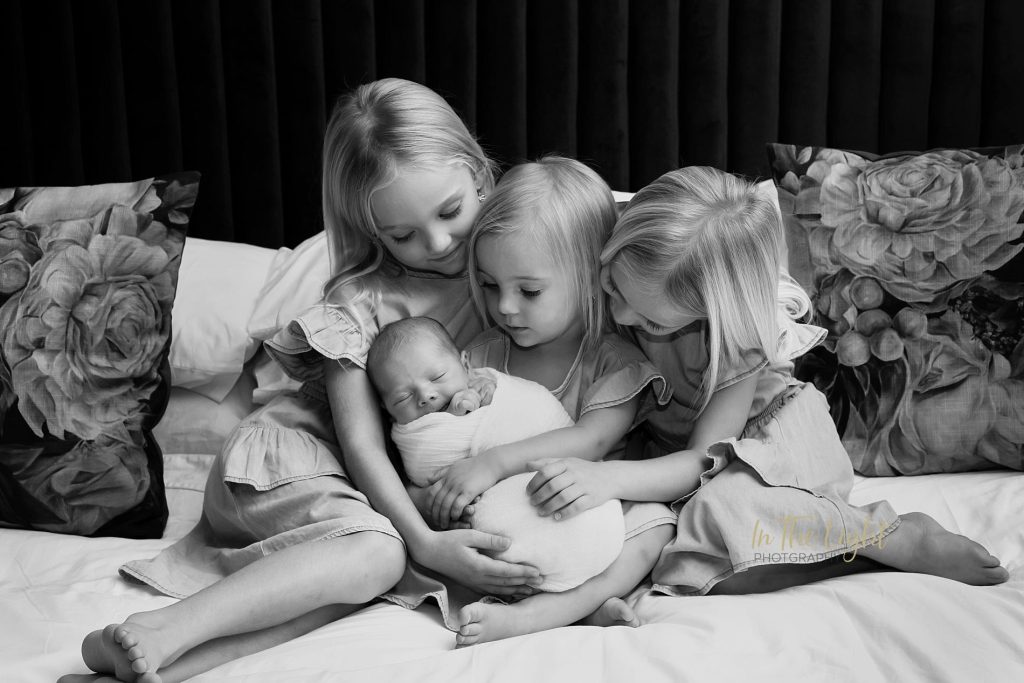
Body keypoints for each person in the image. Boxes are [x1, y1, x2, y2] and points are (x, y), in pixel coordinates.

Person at [62, 78, 540, 683]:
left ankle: (150, 667)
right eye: (402, 235)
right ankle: (160, 627)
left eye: (450, 212)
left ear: (477, 173)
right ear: (370, 229)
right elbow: (363, 446)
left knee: (366, 575)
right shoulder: (359, 301)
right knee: (382, 553)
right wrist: (423, 539)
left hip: (374, 499)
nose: (438, 242)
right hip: (292, 457)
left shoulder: (509, 278)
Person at [592, 165, 1009, 598]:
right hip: (683, 463)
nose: (619, 314)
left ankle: (889, 536)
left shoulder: (738, 335)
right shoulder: (622, 256)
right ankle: (853, 557)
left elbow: (703, 459)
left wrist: (612, 477)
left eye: (653, 323)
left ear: (712, 312)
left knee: (722, 514)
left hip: (773, 439)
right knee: (690, 561)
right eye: (612, 286)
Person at [418, 156, 678, 645]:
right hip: (506, 528)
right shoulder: (481, 357)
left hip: (589, 522)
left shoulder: (613, 362)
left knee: (655, 526)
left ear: (590, 277)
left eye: (530, 291)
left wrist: (494, 463)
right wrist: (444, 495)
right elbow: (448, 437)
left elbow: (591, 440)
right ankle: (569, 604)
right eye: (490, 286)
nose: (505, 306)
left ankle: (555, 610)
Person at [367, 315, 626, 594]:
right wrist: (453, 422)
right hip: (504, 540)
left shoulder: (489, 385)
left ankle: (585, 599)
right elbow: (425, 470)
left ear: (466, 365)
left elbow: (537, 417)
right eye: (403, 398)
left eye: (437, 377)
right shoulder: (410, 436)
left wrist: (488, 402)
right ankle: (574, 601)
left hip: (567, 498)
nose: (425, 395)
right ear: (386, 410)